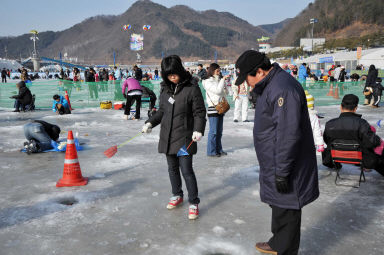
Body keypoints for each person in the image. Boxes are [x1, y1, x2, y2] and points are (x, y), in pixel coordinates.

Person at [234, 50, 319, 255]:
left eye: (247, 77)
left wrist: (282, 170)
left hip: (288, 163)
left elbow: (288, 134)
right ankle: (277, 243)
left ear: (260, 71)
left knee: (288, 207)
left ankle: (285, 249)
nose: (246, 82)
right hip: (274, 159)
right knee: (280, 205)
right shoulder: (271, 85)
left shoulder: (282, 89)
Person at [141, 55, 206, 220]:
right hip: (168, 136)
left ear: (180, 71)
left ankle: (193, 202)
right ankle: (177, 194)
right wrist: (150, 123)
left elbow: (199, 112)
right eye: (168, 74)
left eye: (174, 73)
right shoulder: (165, 89)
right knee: (172, 169)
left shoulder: (191, 88)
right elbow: (162, 111)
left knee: (186, 171)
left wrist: (198, 129)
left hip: (185, 137)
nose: (172, 77)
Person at [322, 94, 384, 176]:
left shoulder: (330, 124)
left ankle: (337, 164)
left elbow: (327, 140)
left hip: (336, 156)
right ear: (355, 108)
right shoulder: (362, 123)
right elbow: (372, 142)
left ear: (341, 107)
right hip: (359, 158)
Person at [202, 63, 229, 157]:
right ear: (212, 71)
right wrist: (222, 80)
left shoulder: (218, 80)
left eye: (219, 70)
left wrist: (224, 84)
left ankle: (219, 149)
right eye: (217, 70)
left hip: (221, 107)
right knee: (213, 131)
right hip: (213, 108)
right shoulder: (207, 81)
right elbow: (217, 91)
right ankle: (211, 151)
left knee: (219, 131)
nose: (219, 72)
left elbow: (226, 92)